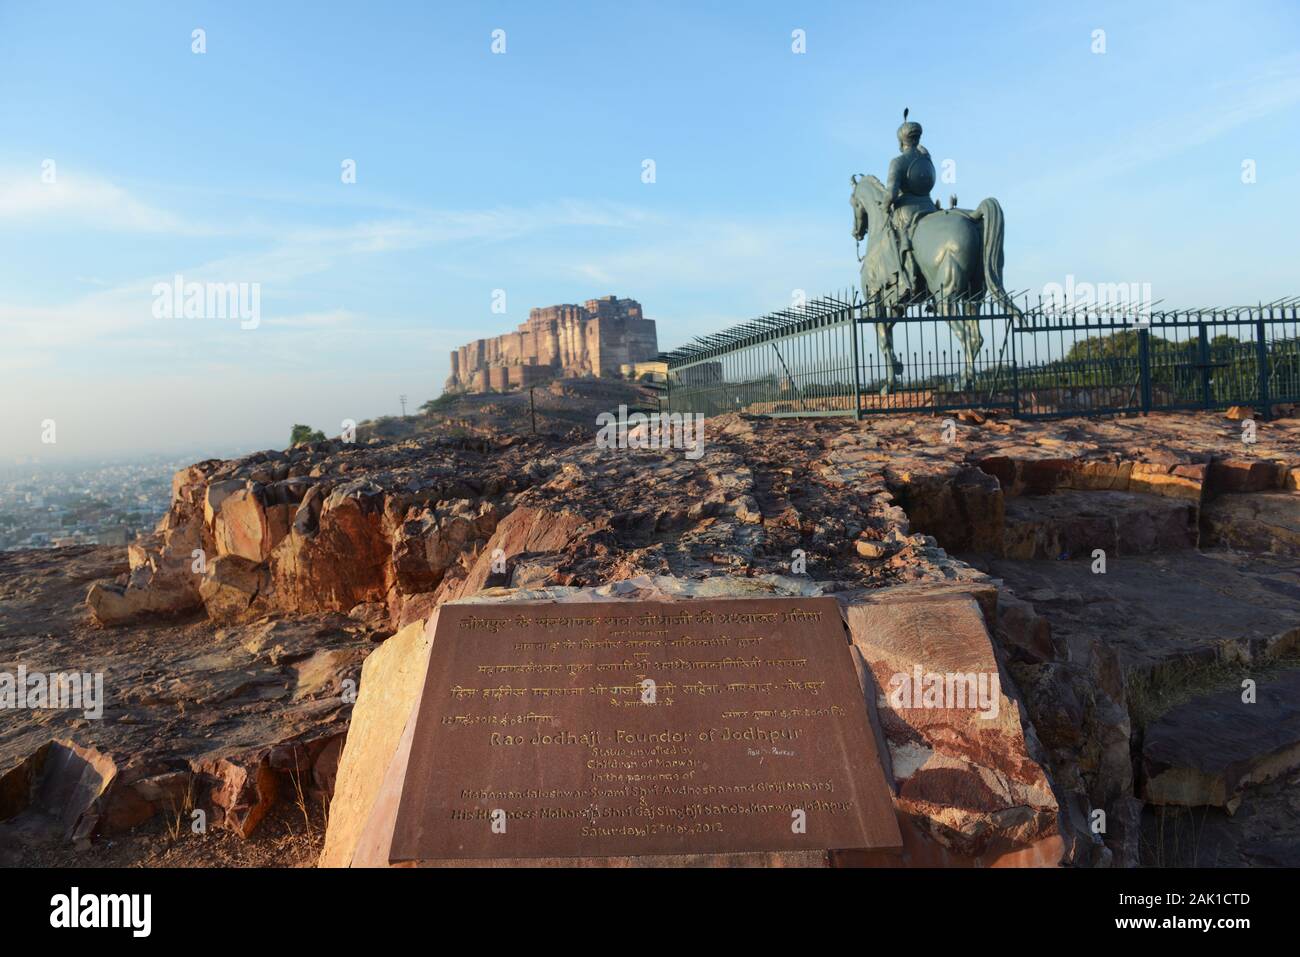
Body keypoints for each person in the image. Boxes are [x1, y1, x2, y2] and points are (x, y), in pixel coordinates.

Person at [882, 110, 937, 298]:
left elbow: (891, 193)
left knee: (893, 239)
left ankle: (908, 282)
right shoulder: (926, 159)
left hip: (906, 213)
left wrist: (883, 206)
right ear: (918, 138)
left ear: (900, 141)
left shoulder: (897, 162)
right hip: (930, 208)